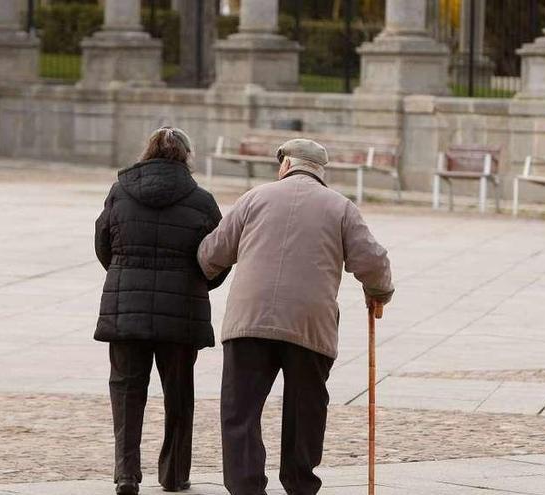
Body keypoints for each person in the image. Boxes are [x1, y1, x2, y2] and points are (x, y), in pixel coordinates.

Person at [197, 138, 394, 495]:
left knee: (240, 409)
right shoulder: (341, 207)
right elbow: (373, 261)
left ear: (285, 165)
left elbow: (212, 254)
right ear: (320, 171)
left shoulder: (255, 197)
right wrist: (379, 291)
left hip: (249, 321)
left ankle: (246, 486)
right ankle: (300, 484)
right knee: (306, 409)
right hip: (309, 324)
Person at [94, 126, 228, 495]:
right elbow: (217, 258)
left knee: (126, 392)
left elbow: (103, 245)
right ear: (186, 157)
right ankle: (173, 474)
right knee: (179, 393)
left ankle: (126, 474)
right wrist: (200, 285)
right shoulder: (201, 201)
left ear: (147, 151)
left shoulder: (119, 192)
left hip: (127, 308)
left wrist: (126, 274)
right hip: (181, 309)